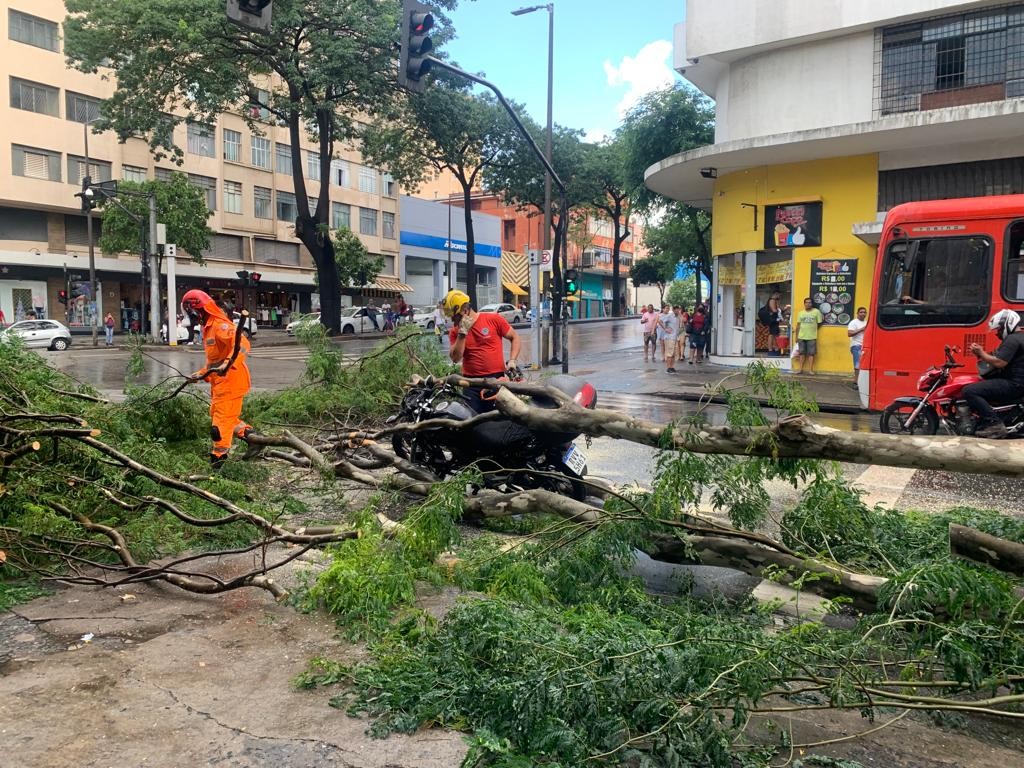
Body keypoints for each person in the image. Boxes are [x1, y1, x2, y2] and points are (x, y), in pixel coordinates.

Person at [181, 289, 254, 467]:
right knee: (220, 416)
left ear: (197, 310)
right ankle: (254, 439)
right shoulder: (208, 328)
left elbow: (242, 344)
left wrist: (228, 363)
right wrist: (199, 375)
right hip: (221, 384)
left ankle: (218, 465)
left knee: (219, 426)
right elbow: (214, 362)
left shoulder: (219, 326)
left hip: (231, 383)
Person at [444, 289, 522, 412]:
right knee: (471, 421)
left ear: (465, 310)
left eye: (455, 316)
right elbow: (455, 358)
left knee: (498, 420)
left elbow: (515, 337)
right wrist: (462, 333)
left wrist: (512, 360)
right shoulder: (455, 331)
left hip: (496, 381)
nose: (453, 321)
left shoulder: (493, 319)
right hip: (471, 383)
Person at [964, 309, 1024, 439]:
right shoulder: (1019, 337)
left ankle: (994, 424)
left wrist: (981, 353)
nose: (997, 333)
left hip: (1014, 384)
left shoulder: (1012, 339)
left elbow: (999, 362)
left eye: (999, 329)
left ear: (1007, 324)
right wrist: (981, 355)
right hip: (1017, 382)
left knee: (969, 391)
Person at [793, 297, 824, 374]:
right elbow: (798, 325)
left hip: (812, 337)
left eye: (809, 302)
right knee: (801, 353)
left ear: (812, 304)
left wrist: (813, 329)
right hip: (801, 336)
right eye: (806, 302)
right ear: (804, 304)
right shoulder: (801, 313)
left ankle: (810, 370)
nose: (808, 304)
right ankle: (800, 369)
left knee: (811, 354)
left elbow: (819, 323)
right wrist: (796, 337)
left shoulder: (816, 312)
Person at [846, 306, 868, 383]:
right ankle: (856, 382)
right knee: (857, 364)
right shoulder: (853, 322)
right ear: (857, 313)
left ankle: (861, 382)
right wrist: (861, 329)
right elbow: (849, 333)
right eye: (861, 312)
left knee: (863, 365)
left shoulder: (866, 323)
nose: (863, 314)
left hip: (865, 346)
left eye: (864, 312)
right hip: (856, 345)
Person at [662, 305, 680, 373]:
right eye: (676, 309)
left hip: (675, 337)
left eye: (678, 309)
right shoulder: (669, 316)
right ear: (673, 310)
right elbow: (660, 321)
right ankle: (668, 367)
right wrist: (665, 329)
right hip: (669, 337)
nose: (678, 311)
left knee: (674, 353)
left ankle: (672, 366)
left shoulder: (677, 317)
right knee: (670, 353)